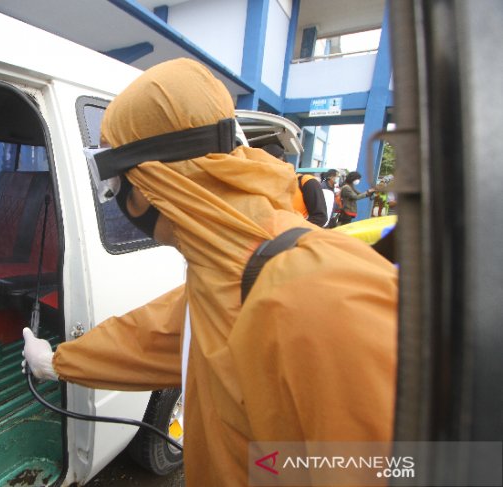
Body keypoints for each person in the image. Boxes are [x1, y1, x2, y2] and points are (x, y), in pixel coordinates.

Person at [23, 59, 397, 486]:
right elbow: (149, 336)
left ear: (147, 184)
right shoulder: (223, 270)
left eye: (114, 180)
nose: (114, 196)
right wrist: (55, 362)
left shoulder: (318, 289)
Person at [263, 144, 328, 227]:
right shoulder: (265, 186)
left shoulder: (307, 182)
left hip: (296, 236)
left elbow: (320, 217)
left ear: (282, 161)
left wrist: (291, 231)